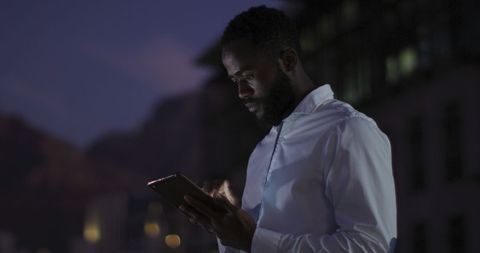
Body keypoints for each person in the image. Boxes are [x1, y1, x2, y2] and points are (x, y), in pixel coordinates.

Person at [180, 5, 397, 253]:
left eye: (248, 76)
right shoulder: (262, 150)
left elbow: (372, 247)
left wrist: (252, 239)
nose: (241, 93)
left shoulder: (348, 130)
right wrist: (226, 223)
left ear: (288, 60)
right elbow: (252, 246)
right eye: (235, 81)